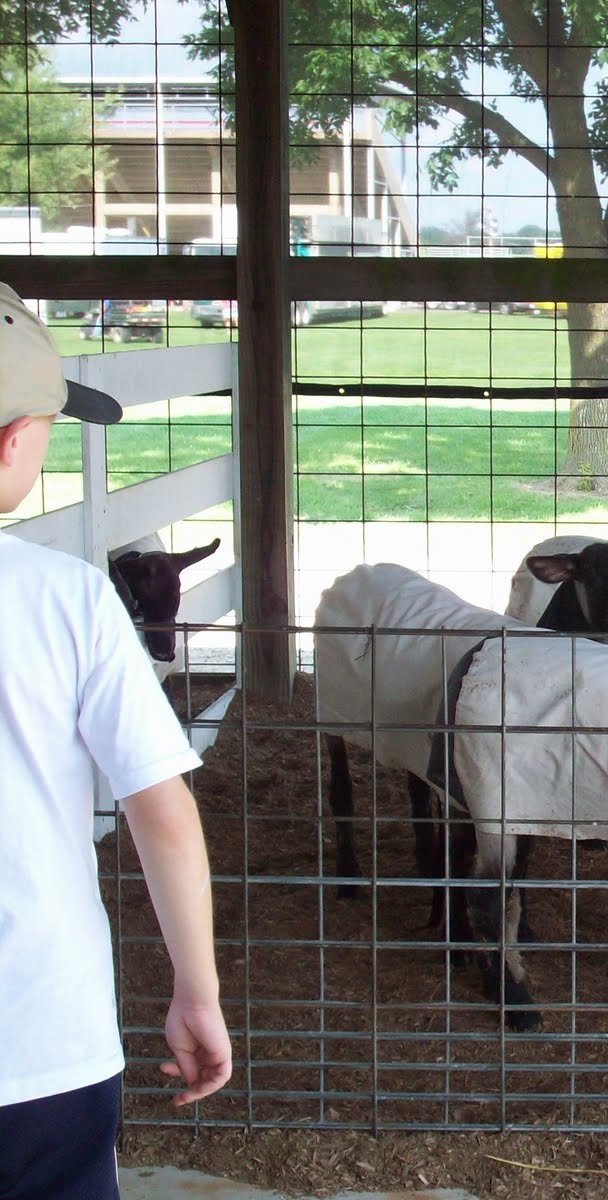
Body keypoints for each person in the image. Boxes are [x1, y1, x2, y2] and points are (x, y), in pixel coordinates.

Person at [0, 282, 232, 1199]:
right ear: (14, 438)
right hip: (37, 1043)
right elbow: (163, 814)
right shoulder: (67, 598)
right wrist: (198, 991)